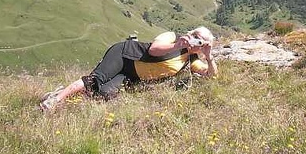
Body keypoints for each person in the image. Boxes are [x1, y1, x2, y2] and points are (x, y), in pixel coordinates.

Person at [39, 26, 217, 112]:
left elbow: (211, 76)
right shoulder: (172, 37)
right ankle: (55, 100)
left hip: (131, 75)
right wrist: (177, 45)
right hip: (125, 55)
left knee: (103, 94)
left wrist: (208, 56)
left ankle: (63, 93)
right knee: (96, 79)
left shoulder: (191, 60)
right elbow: (153, 50)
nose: (195, 41)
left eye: (200, 41)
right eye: (195, 36)